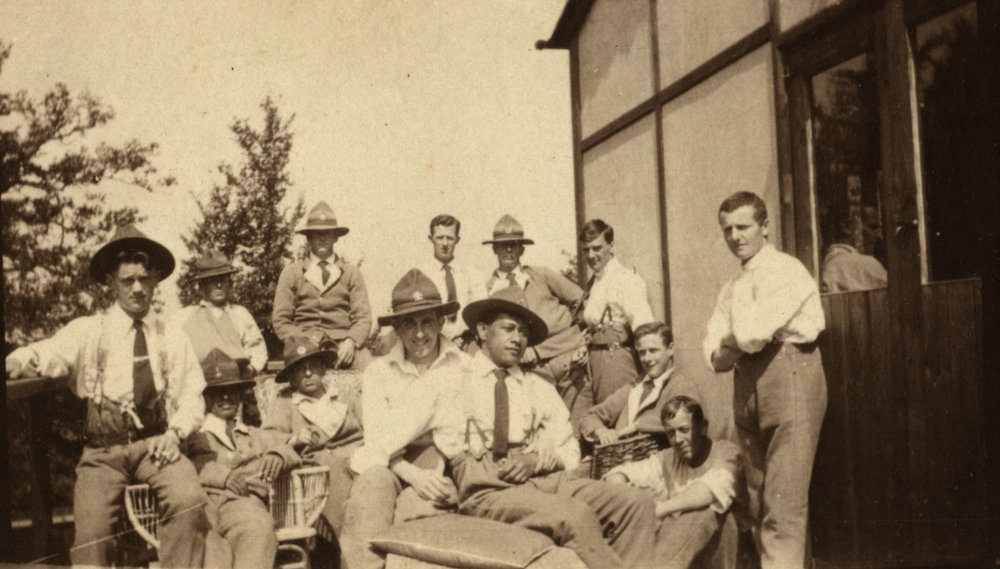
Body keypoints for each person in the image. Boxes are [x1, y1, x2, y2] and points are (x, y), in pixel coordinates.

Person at [359, 286, 658, 569]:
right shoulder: (449, 379)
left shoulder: (537, 386)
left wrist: (538, 458)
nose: (518, 338)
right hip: (486, 489)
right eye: (509, 328)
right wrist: (409, 472)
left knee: (636, 503)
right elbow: (381, 442)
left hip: (541, 479)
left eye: (524, 332)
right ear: (483, 331)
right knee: (574, 516)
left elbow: (569, 449)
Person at [5, 224, 208, 568]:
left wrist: (175, 435)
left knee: (189, 500)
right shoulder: (89, 330)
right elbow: (50, 354)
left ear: (156, 279)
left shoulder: (172, 335)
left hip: (155, 446)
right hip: (103, 452)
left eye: (144, 279)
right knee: (91, 534)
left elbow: (193, 393)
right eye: (128, 280)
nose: (138, 288)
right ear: (111, 282)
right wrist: (21, 360)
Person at [703, 191, 827, 569]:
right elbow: (712, 355)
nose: (735, 236)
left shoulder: (785, 269)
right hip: (747, 382)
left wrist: (733, 340)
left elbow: (752, 334)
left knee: (783, 499)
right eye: (727, 229)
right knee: (756, 496)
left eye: (744, 226)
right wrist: (731, 341)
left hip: (787, 371)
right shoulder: (732, 286)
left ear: (765, 227)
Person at [341, 269, 466, 569]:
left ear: (440, 321)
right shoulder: (379, 373)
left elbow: (461, 435)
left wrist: (431, 476)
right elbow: (377, 442)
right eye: (409, 324)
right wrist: (413, 475)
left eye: (427, 322)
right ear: (396, 328)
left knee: (416, 517)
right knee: (369, 491)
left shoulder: (463, 366)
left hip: (443, 467)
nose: (419, 334)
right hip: (392, 464)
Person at [186, 348, 300, 569]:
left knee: (258, 526)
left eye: (232, 390)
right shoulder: (194, 435)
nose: (226, 397)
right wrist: (223, 476)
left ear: (240, 395)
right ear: (205, 396)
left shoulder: (252, 433)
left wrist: (278, 454)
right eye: (217, 392)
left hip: (244, 506)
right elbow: (182, 464)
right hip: (204, 507)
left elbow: (290, 445)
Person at [480, 213, 591, 428]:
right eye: (503, 245)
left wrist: (584, 337)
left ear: (522, 249)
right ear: (494, 249)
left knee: (579, 427)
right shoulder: (488, 290)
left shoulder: (541, 275)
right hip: (530, 370)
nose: (509, 250)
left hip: (569, 357)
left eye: (514, 245)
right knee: (546, 428)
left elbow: (583, 300)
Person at [605, 396, 742, 569]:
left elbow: (708, 491)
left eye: (684, 430)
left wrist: (658, 510)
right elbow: (619, 473)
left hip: (728, 555)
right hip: (684, 554)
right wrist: (623, 493)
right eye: (671, 433)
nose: (677, 439)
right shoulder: (669, 458)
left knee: (706, 513)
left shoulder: (727, 453)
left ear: (703, 428)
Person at [261, 336, 364, 535]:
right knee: (331, 466)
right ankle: (346, 546)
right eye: (300, 369)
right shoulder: (285, 404)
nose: (308, 373)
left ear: (323, 369)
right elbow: (267, 437)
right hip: (319, 472)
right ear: (291, 377)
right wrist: (295, 439)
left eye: (313, 366)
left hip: (359, 460)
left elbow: (374, 426)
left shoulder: (346, 397)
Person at [272, 201, 373, 369]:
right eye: (317, 233)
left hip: (342, 345)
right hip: (303, 344)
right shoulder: (291, 273)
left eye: (327, 232)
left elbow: (363, 317)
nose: (322, 237)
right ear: (309, 237)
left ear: (336, 237)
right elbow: (281, 320)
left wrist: (351, 341)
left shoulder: (351, 273)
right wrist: (303, 340)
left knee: (371, 369)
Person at [578, 321, 702, 448]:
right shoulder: (635, 386)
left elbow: (684, 416)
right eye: (642, 352)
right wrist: (601, 431)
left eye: (653, 351)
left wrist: (634, 427)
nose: (647, 359)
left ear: (670, 349)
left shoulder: (683, 386)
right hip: (619, 459)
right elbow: (590, 416)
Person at [576, 219, 655, 403]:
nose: (591, 255)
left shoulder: (625, 279)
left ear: (611, 247)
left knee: (615, 417)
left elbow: (644, 325)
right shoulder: (596, 281)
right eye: (586, 250)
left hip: (616, 360)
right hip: (595, 361)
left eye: (597, 248)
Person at [176, 249, 268, 377]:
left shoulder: (240, 314)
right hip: (200, 384)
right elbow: (174, 350)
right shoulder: (185, 316)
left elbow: (257, 347)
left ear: (230, 283)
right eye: (213, 280)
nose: (219, 285)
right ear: (202, 286)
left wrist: (252, 368)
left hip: (236, 383)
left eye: (223, 280)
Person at [418, 215, 477, 347]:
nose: (445, 244)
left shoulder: (471, 274)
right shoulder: (421, 275)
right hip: (433, 341)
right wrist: (447, 336)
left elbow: (479, 310)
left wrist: (460, 335)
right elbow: (422, 313)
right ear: (431, 239)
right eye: (439, 238)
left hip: (467, 341)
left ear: (457, 240)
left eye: (450, 238)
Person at [821, 215, 888, 293]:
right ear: (847, 227)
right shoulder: (869, 265)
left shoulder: (827, 265)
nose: (879, 235)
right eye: (872, 227)